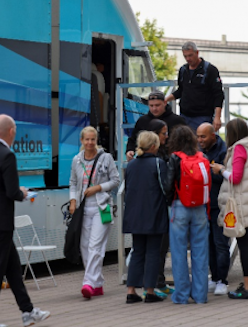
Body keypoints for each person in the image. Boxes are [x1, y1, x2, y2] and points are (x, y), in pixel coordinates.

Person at [0, 114, 50, 327]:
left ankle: (28, 311)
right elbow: (12, 192)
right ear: (11, 131)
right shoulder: (7, 155)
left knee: (12, 266)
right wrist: (24, 192)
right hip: (0, 221)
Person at [212, 118, 248, 299]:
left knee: (245, 246)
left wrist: (220, 170)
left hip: (242, 205)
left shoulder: (239, 148)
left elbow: (235, 177)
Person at [69, 126, 120, 299]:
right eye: (87, 140)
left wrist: (98, 187)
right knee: (84, 246)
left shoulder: (106, 158)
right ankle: (97, 283)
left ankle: (88, 283)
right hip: (83, 209)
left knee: (95, 246)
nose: (90, 143)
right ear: (82, 141)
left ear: (96, 140)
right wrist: (73, 201)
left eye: (93, 139)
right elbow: (73, 182)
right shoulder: (77, 160)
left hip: (102, 208)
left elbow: (115, 180)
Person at [163, 125, 210, 304]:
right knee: (200, 252)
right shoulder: (202, 157)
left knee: (179, 252)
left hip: (179, 206)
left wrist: (170, 203)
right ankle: (200, 295)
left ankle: (181, 295)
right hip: (200, 208)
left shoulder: (175, 158)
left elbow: (168, 185)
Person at [124, 131, 168, 302]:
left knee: (137, 252)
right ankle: (149, 291)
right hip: (153, 213)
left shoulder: (131, 165)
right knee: (153, 253)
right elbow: (165, 189)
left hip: (134, 214)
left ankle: (131, 290)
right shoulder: (158, 163)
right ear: (153, 146)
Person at [197, 123, 230, 296]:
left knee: (220, 243)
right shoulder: (198, 150)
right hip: (203, 205)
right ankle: (214, 277)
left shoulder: (223, 151)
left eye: (203, 137)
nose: (199, 140)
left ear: (213, 135)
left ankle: (223, 280)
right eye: (198, 136)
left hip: (219, 204)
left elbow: (226, 176)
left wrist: (209, 173)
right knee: (208, 244)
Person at [165, 41, 224, 132]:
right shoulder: (183, 70)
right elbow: (181, 90)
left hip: (203, 116)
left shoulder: (210, 70)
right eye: (185, 56)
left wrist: (217, 117)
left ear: (197, 53)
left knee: (202, 143)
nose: (188, 58)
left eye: (190, 55)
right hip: (184, 115)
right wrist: (165, 100)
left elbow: (218, 94)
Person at [147, 119, 174, 297]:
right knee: (155, 248)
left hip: (161, 208)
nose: (166, 136)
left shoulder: (164, 153)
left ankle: (160, 280)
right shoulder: (153, 160)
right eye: (163, 133)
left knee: (162, 247)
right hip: (154, 207)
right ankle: (153, 283)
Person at [126, 91, 186, 161]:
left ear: (165, 103)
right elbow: (133, 139)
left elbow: (185, 142)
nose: (154, 109)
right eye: (151, 106)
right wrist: (130, 150)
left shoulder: (177, 121)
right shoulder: (142, 121)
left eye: (157, 105)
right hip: (147, 160)